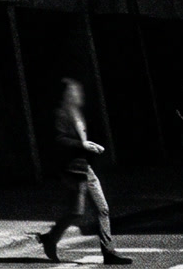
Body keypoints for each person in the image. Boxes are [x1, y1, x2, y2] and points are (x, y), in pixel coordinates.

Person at [39, 78, 130, 264]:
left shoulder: (77, 113)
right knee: (76, 212)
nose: (78, 95)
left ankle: (108, 252)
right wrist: (83, 145)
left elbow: (84, 140)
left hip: (85, 168)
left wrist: (91, 146)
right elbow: (59, 140)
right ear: (66, 95)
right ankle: (50, 238)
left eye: (78, 92)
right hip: (73, 169)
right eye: (74, 92)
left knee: (102, 209)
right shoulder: (62, 114)